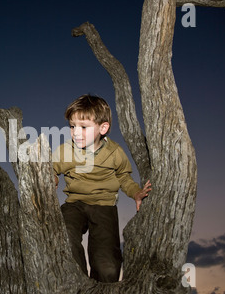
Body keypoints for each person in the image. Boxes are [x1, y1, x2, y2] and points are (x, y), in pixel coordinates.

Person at [52, 94, 151, 283]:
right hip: (75, 204)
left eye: (83, 127)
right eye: (72, 126)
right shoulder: (65, 151)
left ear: (103, 128)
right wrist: (52, 177)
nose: (76, 132)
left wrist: (136, 193)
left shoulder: (114, 153)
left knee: (108, 265)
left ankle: (101, 288)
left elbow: (124, 177)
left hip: (104, 206)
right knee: (64, 235)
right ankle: (78, 283)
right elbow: (51, 169)